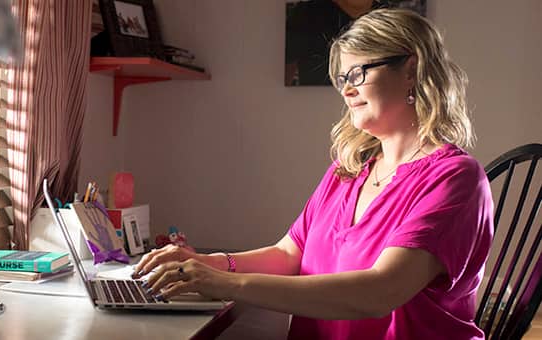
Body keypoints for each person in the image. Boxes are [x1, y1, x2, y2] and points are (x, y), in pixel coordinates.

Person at [133, 9, 493, 340]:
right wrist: (202, 264)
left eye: (359, 73)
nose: (347, 89)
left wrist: (226, 283)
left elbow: (380, 292)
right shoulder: (349, 170)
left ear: (411, 69)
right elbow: (288, 253)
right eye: (342, 78)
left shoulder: (455, 178)